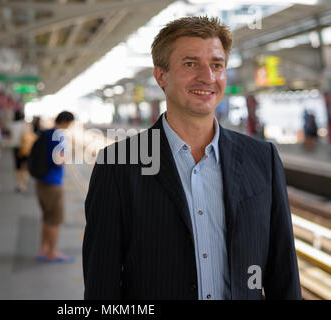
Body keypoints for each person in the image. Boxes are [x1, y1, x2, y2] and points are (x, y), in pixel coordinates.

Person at [83, 16, 301, 300]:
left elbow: (283, 273)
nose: (208, 77)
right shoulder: (118, 165)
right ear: (161, 76)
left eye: (216, 65)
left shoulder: (262, 158)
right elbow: (102, 285)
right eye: (190, 64)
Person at [35, 111, 75, 263]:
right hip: (53, 183)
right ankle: (52, 252)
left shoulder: (47, 133)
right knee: (55, 220)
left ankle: (43, 249)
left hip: (42, 181)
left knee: (46, 217)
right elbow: (58, 160)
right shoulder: (58, 136)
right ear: (65, 122)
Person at [10, 110, 36, 193]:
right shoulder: (26, 125)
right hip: (25, 148)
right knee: (25, 167)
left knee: (17, 167)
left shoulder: (12, 125)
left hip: (16, 148)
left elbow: (11, 138)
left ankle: (18, 184)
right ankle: (24, 185)